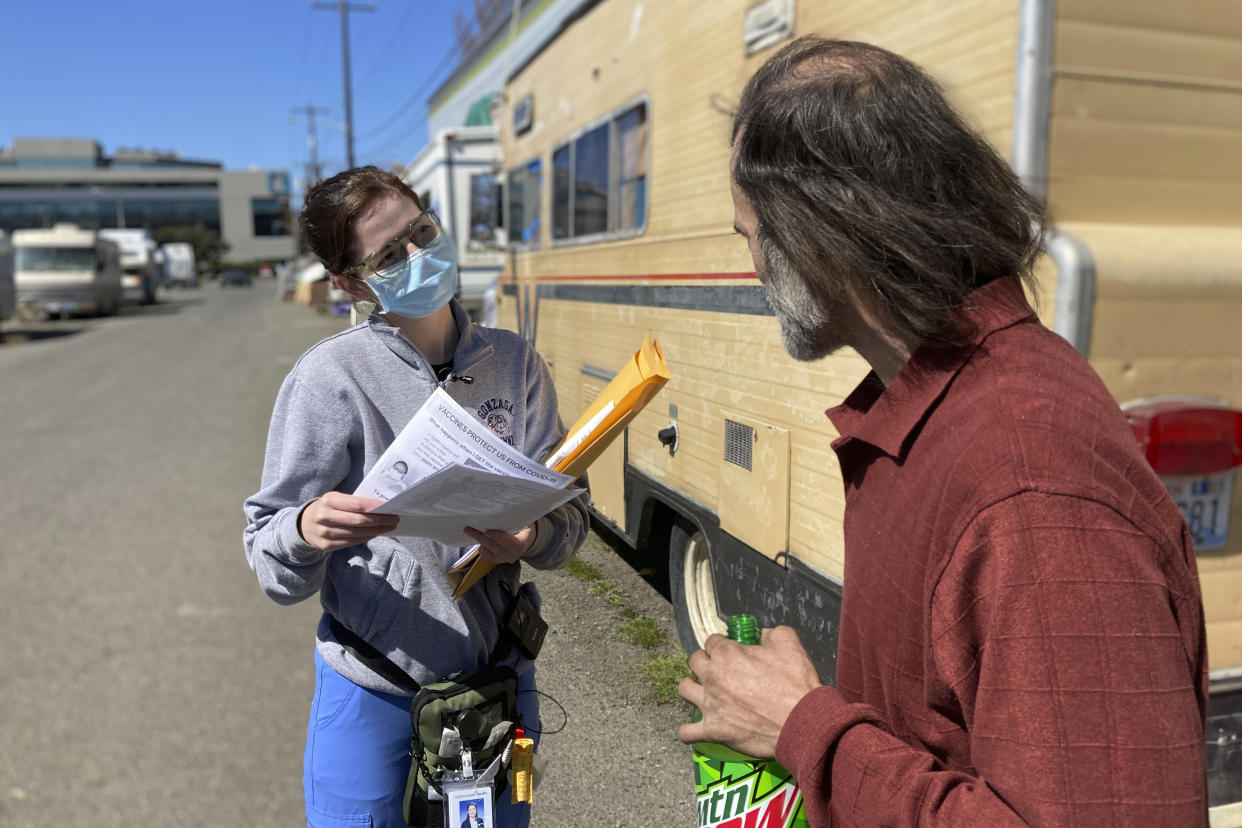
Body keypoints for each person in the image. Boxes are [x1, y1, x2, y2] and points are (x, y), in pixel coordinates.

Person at [677, 36, 1208, 825]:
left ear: (818, 232)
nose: (751, 263)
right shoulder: (936, 408)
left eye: (749, 233)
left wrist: (803, 728)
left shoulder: (1030, 481)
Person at [243, 165, 589, 828]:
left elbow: (571, 516)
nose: (419, 257)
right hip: (371, 689)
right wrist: (305, 529)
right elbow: (269, 562)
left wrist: (532, 536)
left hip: (493, 685)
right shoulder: (329, 378)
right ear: (349, 283)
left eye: (423, 231)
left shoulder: (515, 364)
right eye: (388, 255)